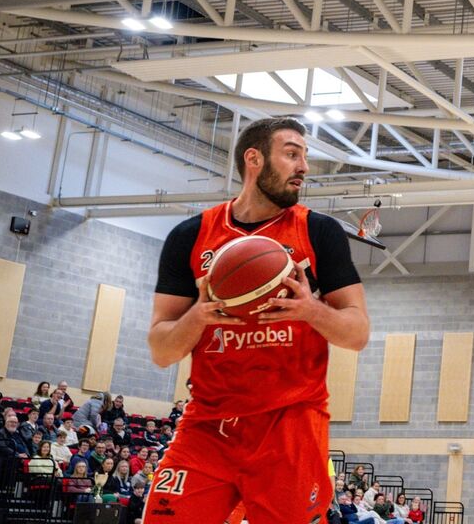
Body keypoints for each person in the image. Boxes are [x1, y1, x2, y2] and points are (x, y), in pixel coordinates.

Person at [146, 116, 374, 522]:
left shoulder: (319, 232)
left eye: (304, 155)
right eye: (291, 153)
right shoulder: (190, 235)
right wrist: (198, 316)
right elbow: (162, 350)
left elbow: (357, 333)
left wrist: (310, 309)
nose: (303, 166)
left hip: (290, 423)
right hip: (208, 421)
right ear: (254, 159)